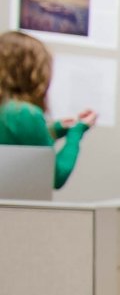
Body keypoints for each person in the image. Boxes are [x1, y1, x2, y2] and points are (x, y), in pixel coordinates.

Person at [0, 31, 93, 190]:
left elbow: (14, 141)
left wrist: (54, 130)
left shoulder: (8, 111)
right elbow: (55, 176)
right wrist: (76, 133)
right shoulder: (24, 114)